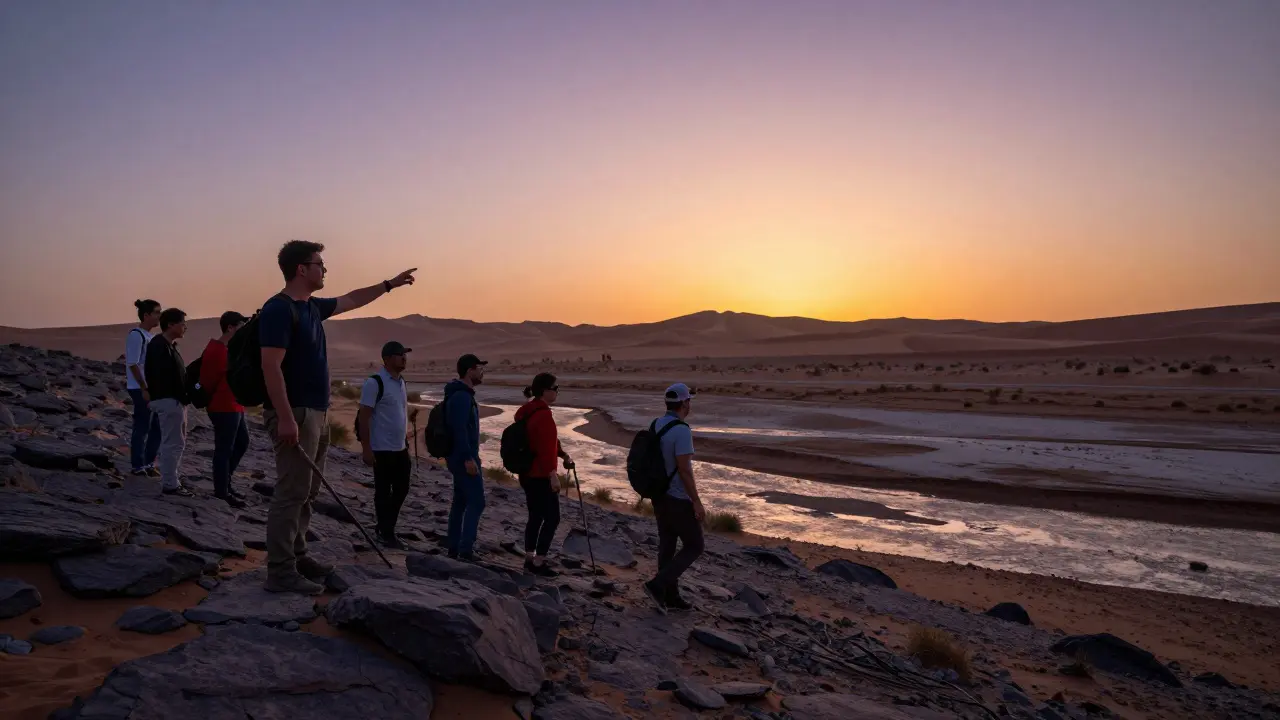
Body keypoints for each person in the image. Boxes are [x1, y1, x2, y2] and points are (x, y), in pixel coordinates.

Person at [259, 239, 416, 595]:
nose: (325, 269)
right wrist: (285, 417)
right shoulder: (279, 309)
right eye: (320, 264)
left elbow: (352, 299)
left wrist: (389, 284)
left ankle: (298, 555)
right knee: (291, 492)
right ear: (302, 269)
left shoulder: (312, 307)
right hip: (296, 413)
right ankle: (280, 571)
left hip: (316, 412)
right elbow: (270, 366)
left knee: (308, 491)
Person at [642, 383, 704, 611]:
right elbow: (685, 470)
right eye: (689, 400)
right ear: (685, 403)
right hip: (677, 497)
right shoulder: (682, 430)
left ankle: (670, 596)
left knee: (667, 545)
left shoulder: (656, 424)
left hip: (659, 495)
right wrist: (696, 501)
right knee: (695, 545)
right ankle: (657, 585)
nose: (690, 404)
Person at [514, 373, 574, 576]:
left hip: (526, 473)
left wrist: (563, 454)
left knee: (535, 516)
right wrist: (553, 475)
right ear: (545, 390)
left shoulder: (527, 410)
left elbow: (547, 443)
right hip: (540, 475)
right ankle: (539, 562)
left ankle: (529, 557)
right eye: (555, 388)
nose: (557, 392)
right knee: (553, 518)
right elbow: (545, 449)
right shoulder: (544, 415)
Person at [358, 341, 413, 549]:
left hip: (400, 448)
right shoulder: (375, 383)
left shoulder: (401, 382)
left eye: (405, 354)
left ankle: (386, 527)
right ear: (387, 359)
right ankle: (385, 532)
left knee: (402, 489)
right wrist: (366, 448)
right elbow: (364, 417)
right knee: (383, 491)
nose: (404, 358)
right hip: (381, 448)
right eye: (400, 354)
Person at [200, 311, 250, 508]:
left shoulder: (230, 349)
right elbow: (207, 381)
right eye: (241, 326)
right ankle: (221, 491)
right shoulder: (216, 350)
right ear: (230, 327)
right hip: (222, 406)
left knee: (242, 443)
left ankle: (225, 482)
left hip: (235, 404)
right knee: (224, 449)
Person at [143, 308, 191, 497]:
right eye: (182, 324)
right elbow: (164, 378)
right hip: (169, 400)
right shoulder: (159, 346)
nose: (185, 327)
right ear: (171, 325)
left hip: (174, 400)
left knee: (175, 442)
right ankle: (170, 484)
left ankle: (172, 480)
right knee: (172, 443)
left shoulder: (169, 346)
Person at [444, 353, 487, 561]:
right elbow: (459, 429)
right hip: (463, 457)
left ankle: (454, 547)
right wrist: (468, 458)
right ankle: (465, 550)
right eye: (479, 368)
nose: (482, 372)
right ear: (470, 371)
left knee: (460, 501)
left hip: (459, 456)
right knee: (477, 502)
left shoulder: (462, 394)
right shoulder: (462, 397)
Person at [126, 299, 162, 477]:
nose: (159, 316)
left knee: (157, 426)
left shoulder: (151, 337)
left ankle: (148, 462)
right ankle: (137, 464)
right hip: (140, 388)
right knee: (142, 425)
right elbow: (133, 363)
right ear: (146, 315)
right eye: (157, 312)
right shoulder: (136, 335)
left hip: (152, 388)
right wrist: (143, 387)